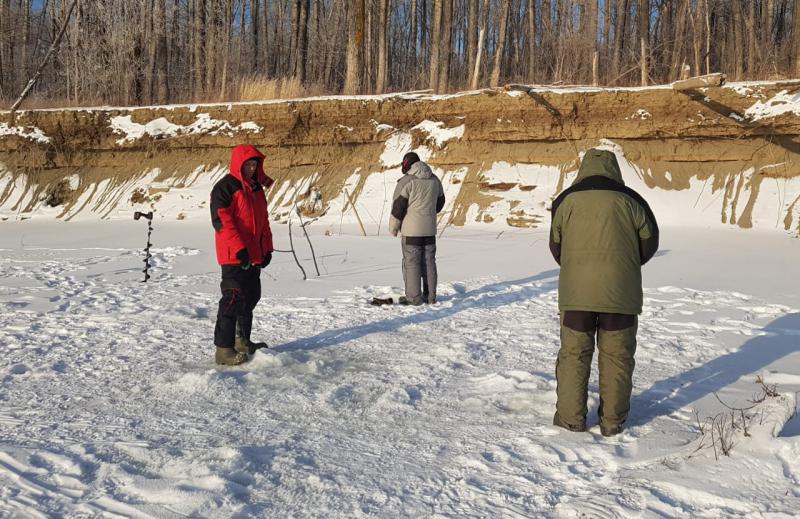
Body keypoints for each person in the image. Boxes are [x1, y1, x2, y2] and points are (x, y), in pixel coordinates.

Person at [548, 148, 659, 436]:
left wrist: (576, 266)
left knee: (574, 353)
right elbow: (649, 244)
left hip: (576, 295)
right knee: (617, 357)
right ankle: (612, 422)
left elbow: (556, 246)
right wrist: (625, 265)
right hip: (620, 295)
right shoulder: (632, 200)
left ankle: (571, 419)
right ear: (615, 169)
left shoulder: (566, 200)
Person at [210, 144, 274, 365]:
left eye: (254, 164)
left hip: (253, 256)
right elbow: (222, 222)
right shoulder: (225, 188)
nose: (251, 167)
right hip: (233, 256)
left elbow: (264, 223)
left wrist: (267, 249)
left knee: (250, 297)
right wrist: (239, 248)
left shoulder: (256, 189)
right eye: (248, 163)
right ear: (239, 163)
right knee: (233, 298)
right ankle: (223, 349)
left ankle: (242, 340)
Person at [389, 152, 445, 305]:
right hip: (430, 231)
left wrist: (393, 228)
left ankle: (414, 299)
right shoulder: (435, 180)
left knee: (412, 263)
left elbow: (398, 208)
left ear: (407, 164)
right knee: (429, 262)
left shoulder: (406, 181)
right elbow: (440, 203)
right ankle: (431, 297)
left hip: (411, 232)